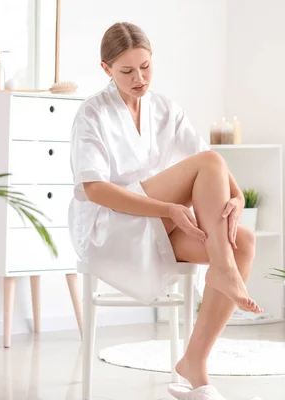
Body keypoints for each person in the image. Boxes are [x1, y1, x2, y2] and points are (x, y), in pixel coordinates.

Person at [68, 22, 263, 392]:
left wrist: (236, 196)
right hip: (111, 228)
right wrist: (166, 209)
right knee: (208, 168)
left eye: (146, 66)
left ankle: (194, 362)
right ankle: (221, 270)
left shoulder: (164, 109)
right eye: (126, 71)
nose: (139, 78)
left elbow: (207, 155)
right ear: (106, 69)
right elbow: (93, 189)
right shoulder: (92, 114)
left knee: (245, 243)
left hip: (157, 225)